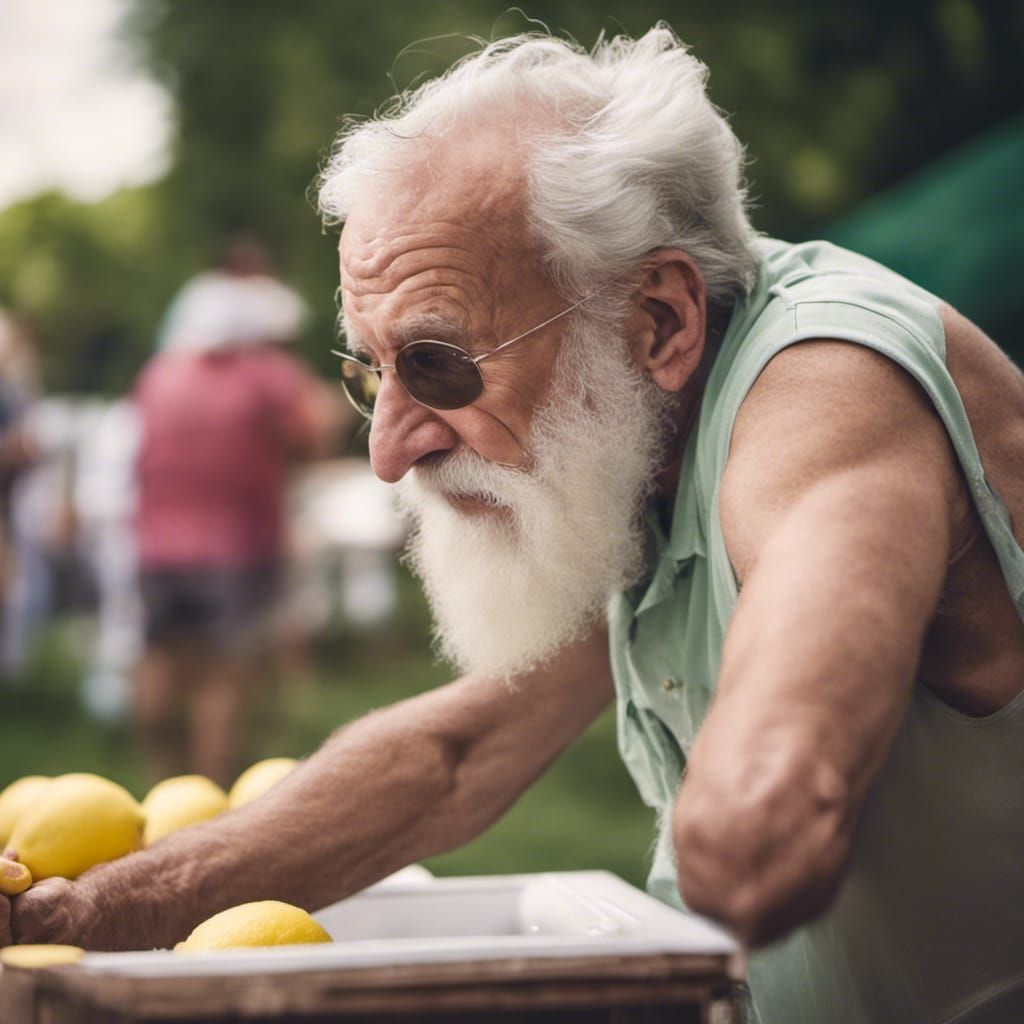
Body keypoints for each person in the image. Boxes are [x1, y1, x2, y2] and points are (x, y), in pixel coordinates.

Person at [4, 27, 1023, 1024]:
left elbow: (783, 777)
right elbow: (462, 749)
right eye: (370, 371)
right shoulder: (635, 421)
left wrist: (754, 798)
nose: (388, 450)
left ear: (658, 319)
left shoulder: (827, 389)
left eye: (438, 364)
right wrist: (74, 913)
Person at [131, 253, 347, 786]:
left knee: (161, 668)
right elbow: (319, 429)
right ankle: (209, 802)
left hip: (156, 548)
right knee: (222, 682)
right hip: (237, 550)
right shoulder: (264, 374)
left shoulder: (159, 373)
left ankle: (159, 791)